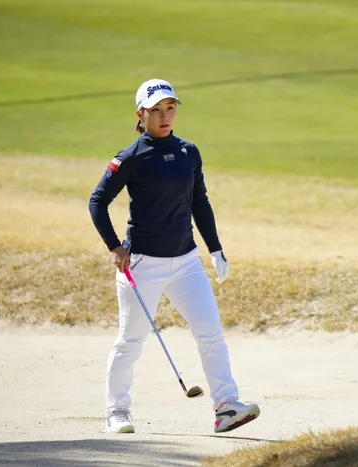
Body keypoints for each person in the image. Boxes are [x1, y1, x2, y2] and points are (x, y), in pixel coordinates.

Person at [89, 78, 260, 434]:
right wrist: (114, 246)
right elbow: (97, 201)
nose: (165, 116)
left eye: (170, 108)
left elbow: (200, 201)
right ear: (141, 114)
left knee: (210, 332)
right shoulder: (130, 158)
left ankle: (226, 406)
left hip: (186, 262)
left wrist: (215, 248)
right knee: (131, 342)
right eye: (156, 110)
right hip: (142, 264)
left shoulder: (188, 152)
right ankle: (117, 411)